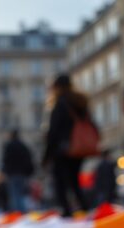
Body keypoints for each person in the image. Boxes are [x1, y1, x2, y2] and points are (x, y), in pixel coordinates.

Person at [43, 74, 94, 217]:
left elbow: (53, 132)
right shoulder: (79, 102)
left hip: (62, 149)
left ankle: (66, 212)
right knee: (74, 181)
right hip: (78, 149)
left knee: (60, 182)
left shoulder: (60, 103)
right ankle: (84, 208)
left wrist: (46, 155)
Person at [1, 129, 35, 212]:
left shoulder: (9, 146)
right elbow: (29, 159)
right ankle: (22, 210)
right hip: (22, 173)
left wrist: (4, 171)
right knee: (21, 193)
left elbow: (5, 160)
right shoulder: (23, 146)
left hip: (12, 173)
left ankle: (18, 212)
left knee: (14, 194)